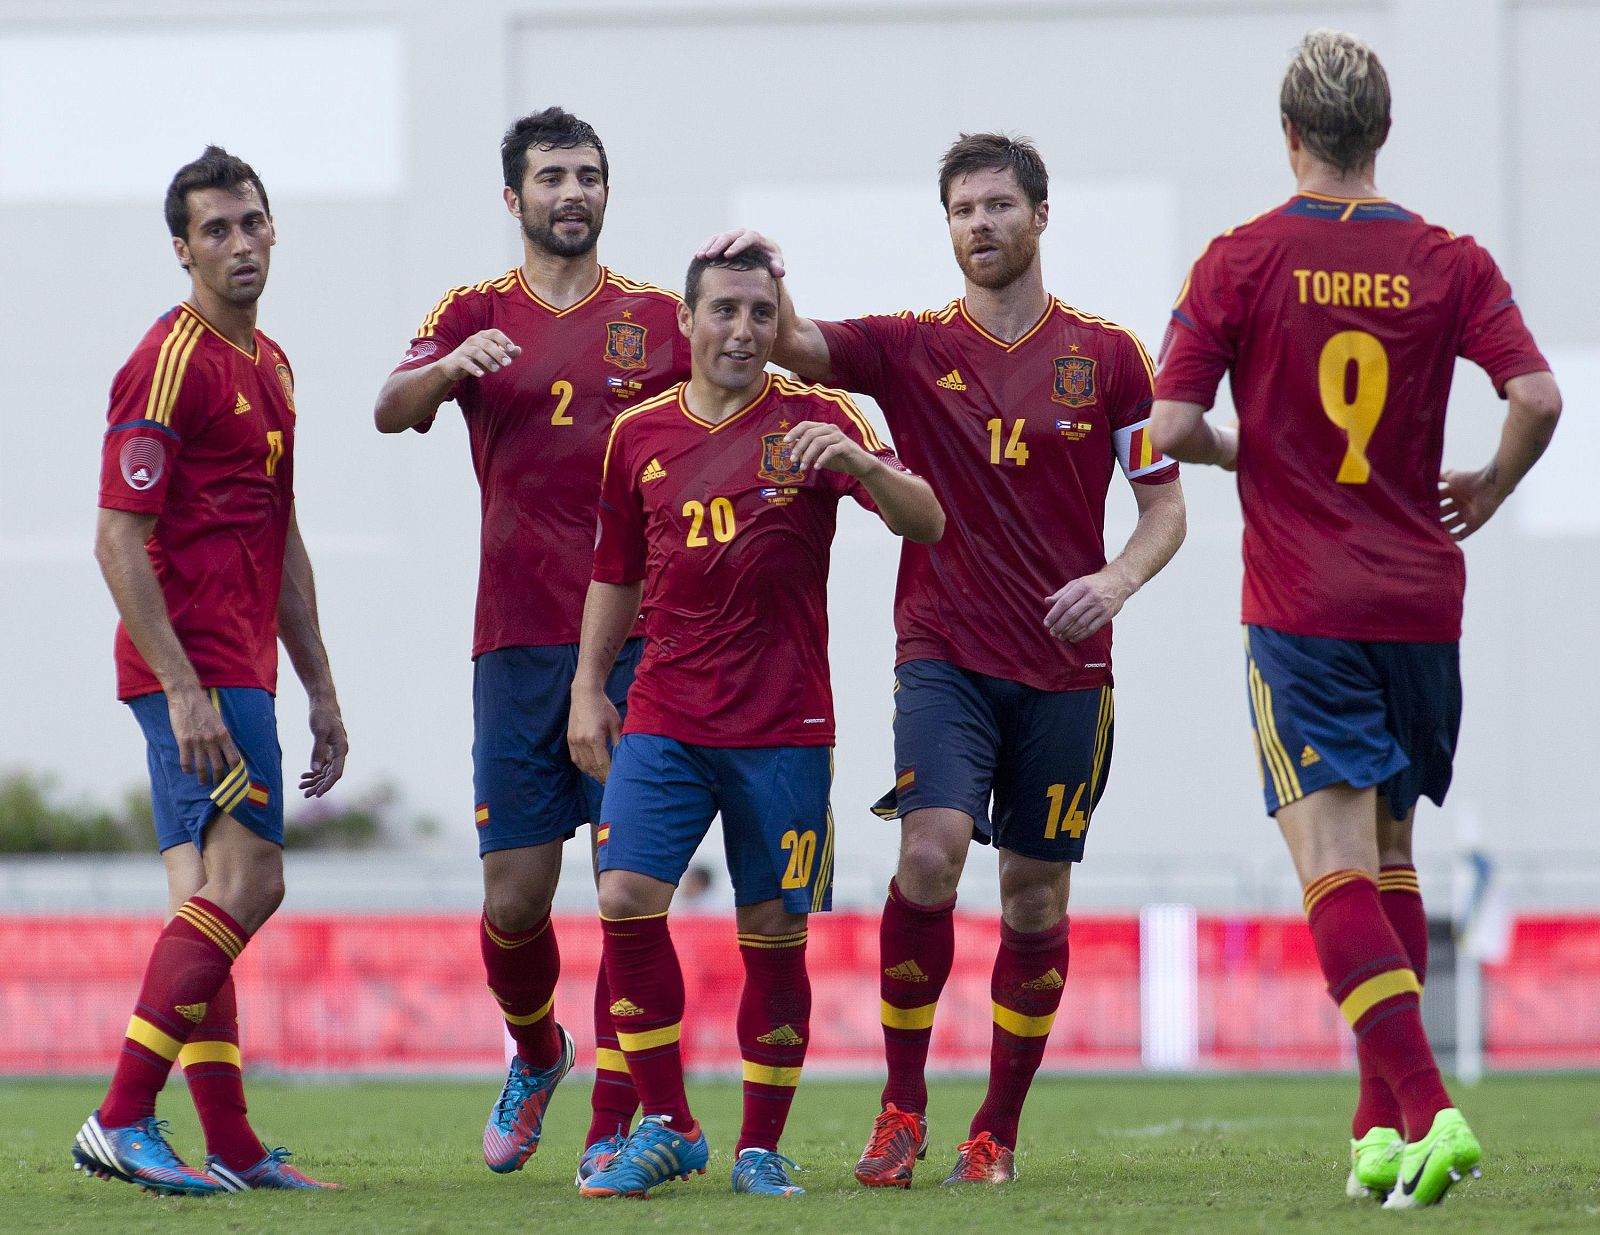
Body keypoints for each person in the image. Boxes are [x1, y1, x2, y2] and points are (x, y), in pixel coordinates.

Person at [701, 132, 1186, 1186]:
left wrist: (1113, 581)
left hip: (1067, 670)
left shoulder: (1108, 356)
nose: (981, 223)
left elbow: (1165, 507)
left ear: (1040, 216)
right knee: (928, 853)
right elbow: (801, 347)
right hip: (944, 656)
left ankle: (995, 1129)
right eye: (964, 208)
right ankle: (901, 1105)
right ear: (949, 225)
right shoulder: (912, 345)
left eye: (1000, 205)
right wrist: (766, 278)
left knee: (1034, 901)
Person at [1150, 29, 1561, 1209]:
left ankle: (1427, 1112)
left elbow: (1173, 430)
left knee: (1327, 866)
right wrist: (1488, 481)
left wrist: (1246, 448)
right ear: (1382, 132)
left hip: (1304, 604)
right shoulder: (1450, 260)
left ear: (1287, 135)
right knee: (1389, 856)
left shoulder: (1239, 259)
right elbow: (1536, 396)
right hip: (1422, 604)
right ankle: (1374, 1128)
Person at [568, 245, 944, 1200]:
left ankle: (760, 1144)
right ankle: (669, 1122)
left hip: (785, 725)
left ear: (779, 326)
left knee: (773, 926)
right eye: (725, 311)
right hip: (664, 715)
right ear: (688, 323)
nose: (743, 330)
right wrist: (586, 686)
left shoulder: (819, 419)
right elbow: (615, 572)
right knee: (622, 898)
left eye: (760, 314)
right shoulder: (638, 435)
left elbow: (928, 519)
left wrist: (863, 460)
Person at [373, 107, 689, 1180]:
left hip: (641, 640)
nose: (572, 191)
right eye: (552, 175)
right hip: (514, 643)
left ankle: (616, 1114)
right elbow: (389, 407)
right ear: (514, 198)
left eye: (589, 174)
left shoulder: (658, 318)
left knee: (622, 885)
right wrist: (453, 363)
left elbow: (746, 387)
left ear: (607, 192)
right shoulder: (472, 311)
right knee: (514, 897)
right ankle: (538, 1047)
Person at [74, 146, 348, 1195]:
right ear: (182, 249)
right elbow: (115, 535)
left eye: (252, 223)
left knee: (204, 894)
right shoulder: (168, 359)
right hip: (194, 671)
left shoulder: (271, 365)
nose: (240, 243)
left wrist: (319, 682)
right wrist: (184, 686)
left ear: (273, 230)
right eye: (216, 230)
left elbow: (280, 536)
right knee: (253, 879)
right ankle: (121, 1113)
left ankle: (230, 1143)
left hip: (240, 667)